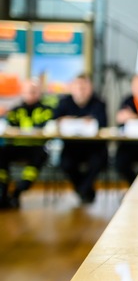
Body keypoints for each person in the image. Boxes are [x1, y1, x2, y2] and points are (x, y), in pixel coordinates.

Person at [54, 73, 109, 204]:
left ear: (90, 88)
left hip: (94, 147)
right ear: (72, 88)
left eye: (84, 87)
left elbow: (102, 124)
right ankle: (84, 190)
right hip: (71, 147)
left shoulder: (99, 103)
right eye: (78, 87)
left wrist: (71, 122)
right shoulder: (64, 102)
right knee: (65, 163)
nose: (81, 91)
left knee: (98, 162)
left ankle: (83, 190)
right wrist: (81, 122)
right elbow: (55, 121)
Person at [0, 79, 54, 208]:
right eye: (27, 91)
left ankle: (18, 191)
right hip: (17, 146)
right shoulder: (15, 110)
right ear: (22, 93)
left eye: (34, 91)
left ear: (39, 93)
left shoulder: (47, 110)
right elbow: (8, 127)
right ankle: (2, 191)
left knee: (40, 155)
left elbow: (49, 128)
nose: (31, 94)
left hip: (36, 147)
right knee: (1, 153)